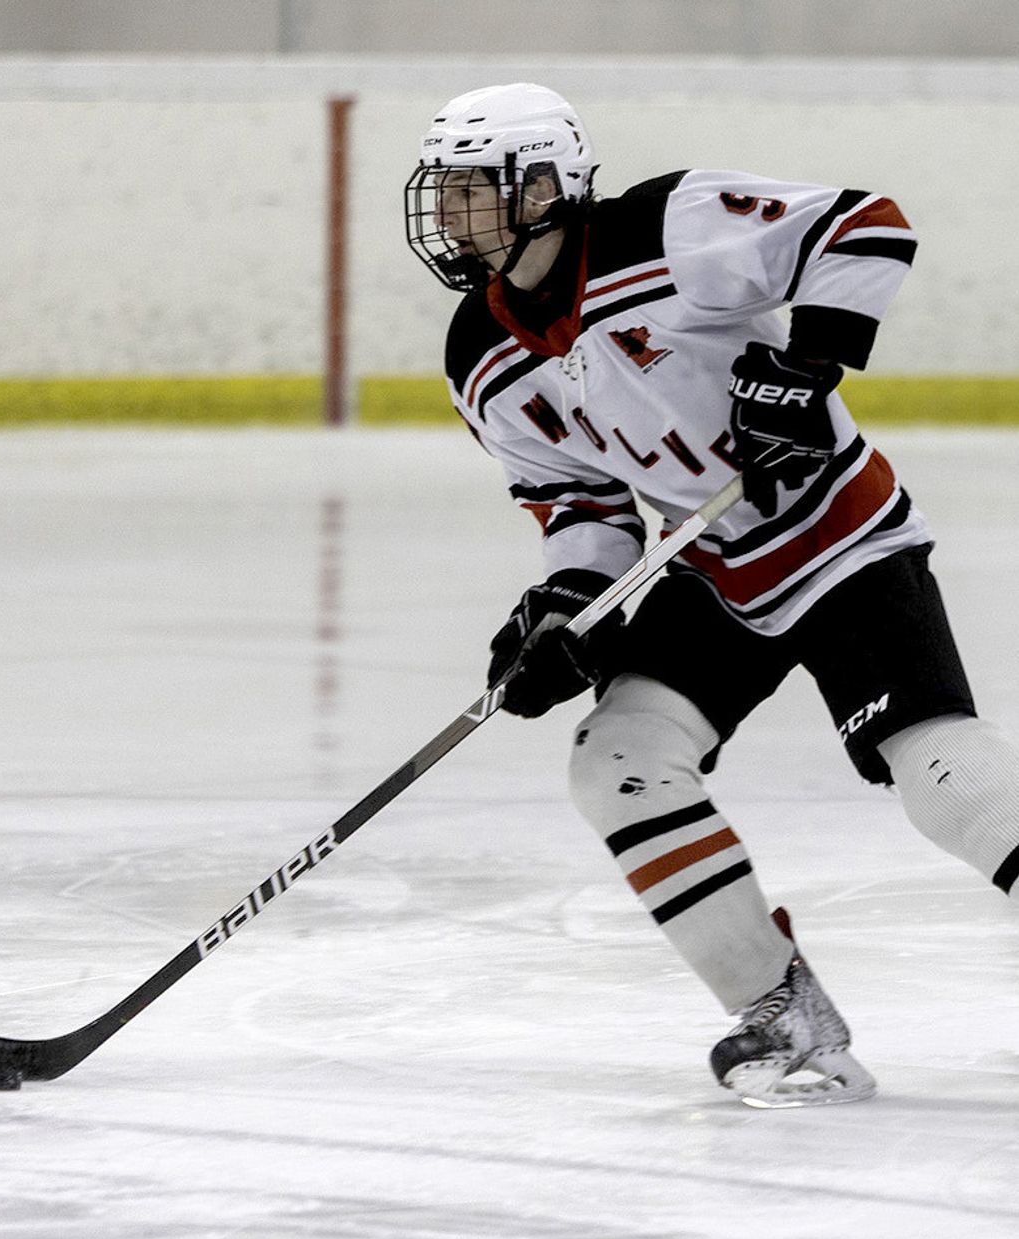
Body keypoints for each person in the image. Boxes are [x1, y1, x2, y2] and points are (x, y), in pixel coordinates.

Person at [404, 82, 1019, 1108]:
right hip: (718, 569)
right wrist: (565, 613)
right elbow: (583, 504)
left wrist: (805, 360)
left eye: (476, 187)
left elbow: (865, 226)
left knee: (941, 777)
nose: (451, 212)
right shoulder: (481, 354)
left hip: (841, 537)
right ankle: (786, 1017)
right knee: (619, 761)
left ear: (547, 188)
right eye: (448, 189)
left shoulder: (667, 226)